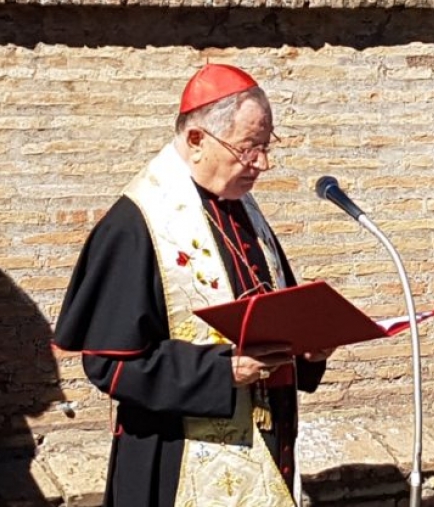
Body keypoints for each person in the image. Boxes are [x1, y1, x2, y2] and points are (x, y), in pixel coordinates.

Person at [53, 64, 331, 507]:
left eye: (265, 146)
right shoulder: (136, 224)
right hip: (175, 458)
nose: (263, 163)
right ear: (198, 140)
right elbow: (108, 363)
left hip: (265, 442)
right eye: (248, 148)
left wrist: (308, 348)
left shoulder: (241, 208)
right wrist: (222, 371)